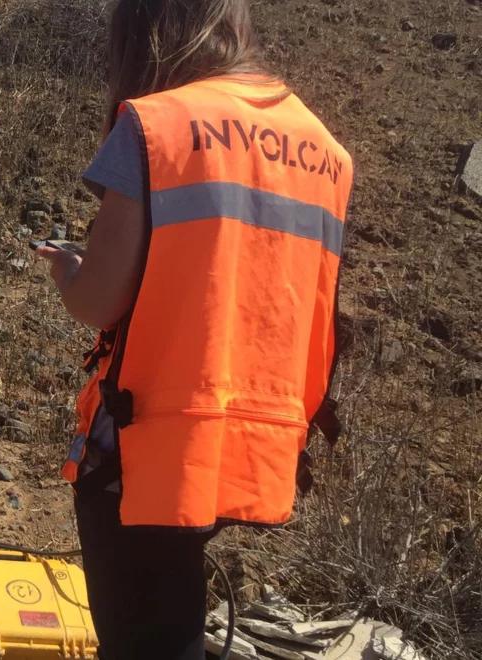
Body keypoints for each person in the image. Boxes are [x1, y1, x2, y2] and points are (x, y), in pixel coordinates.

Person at [35, 1, 354, 658]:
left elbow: (99, 300)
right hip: (250, 438)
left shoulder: (156, 126)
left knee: (141, 635)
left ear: (148, 33)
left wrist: (68, 270)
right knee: (171, 608)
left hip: (144, 441)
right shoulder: (325, 151)